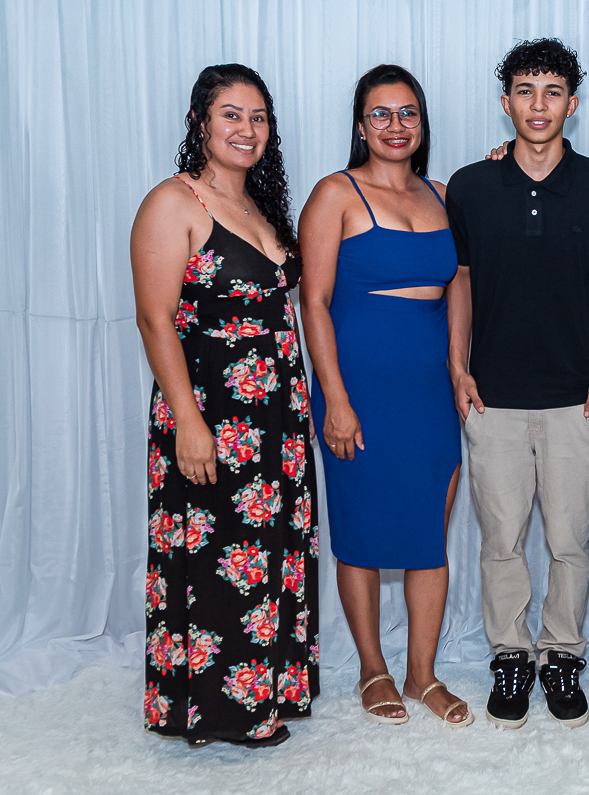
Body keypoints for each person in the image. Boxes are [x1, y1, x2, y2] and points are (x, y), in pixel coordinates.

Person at [132, 63, 319, 748]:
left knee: (268, 551)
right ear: (200, 122)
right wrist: (187, 420)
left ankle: (265, 692)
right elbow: (155, 320)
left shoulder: (259, 206)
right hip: (210, 410)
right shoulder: (173, 201)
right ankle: (216, 709)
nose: (247, 129)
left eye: (258, 117)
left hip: (276, 415)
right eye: (231, 115)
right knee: (216, 553)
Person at [446, 39, 589, 730]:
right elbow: (461, 280)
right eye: (525, 90)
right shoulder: (470, 185)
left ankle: (562, 654)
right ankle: (511, 654)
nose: (538, 104)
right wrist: (458, 366)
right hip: (491, 396)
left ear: (572, 104)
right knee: (501, 538)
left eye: (553, 91)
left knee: (570, 539)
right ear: (506, 102)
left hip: (574, 395)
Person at [298, 64, 471, 728]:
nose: (396, 125)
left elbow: (458, 287)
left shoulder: (444, 194)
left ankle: (423, 673)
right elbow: (313, 303)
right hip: (359, 389)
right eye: (381, 113)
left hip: (429, 390)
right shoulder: (334, 194)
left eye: (408, 113)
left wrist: (458, 368)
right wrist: (335, 399)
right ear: (360, 124)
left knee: (429, 529)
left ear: (422, 122)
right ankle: (373, 668)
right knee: (362, 530)